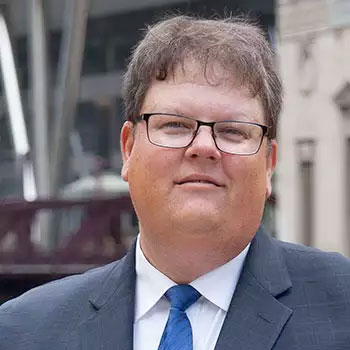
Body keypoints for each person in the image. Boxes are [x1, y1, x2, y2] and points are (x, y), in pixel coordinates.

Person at [1, 14, 350, 350]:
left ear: (269, 164)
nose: (203, 147)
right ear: (128, 149)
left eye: (232, 131)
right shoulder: (22, 331)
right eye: (175, 125)